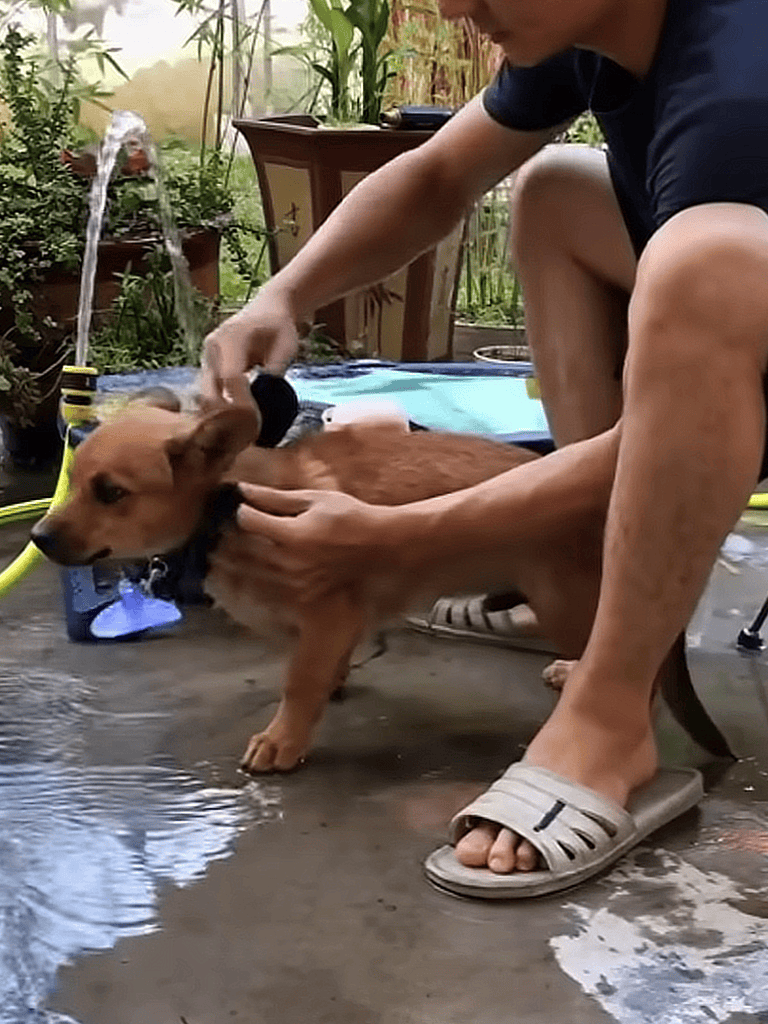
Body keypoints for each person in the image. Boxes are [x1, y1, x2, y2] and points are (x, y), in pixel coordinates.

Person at [201, 0, 768, 897]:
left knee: (708, 263)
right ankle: (584, 566)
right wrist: (283, 295)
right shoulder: (603, 26)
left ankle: (611, 711)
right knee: (553, 192)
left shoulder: (740, 94)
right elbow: (436, 178)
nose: (462, 7)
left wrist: (406, 534)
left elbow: (704, 435)